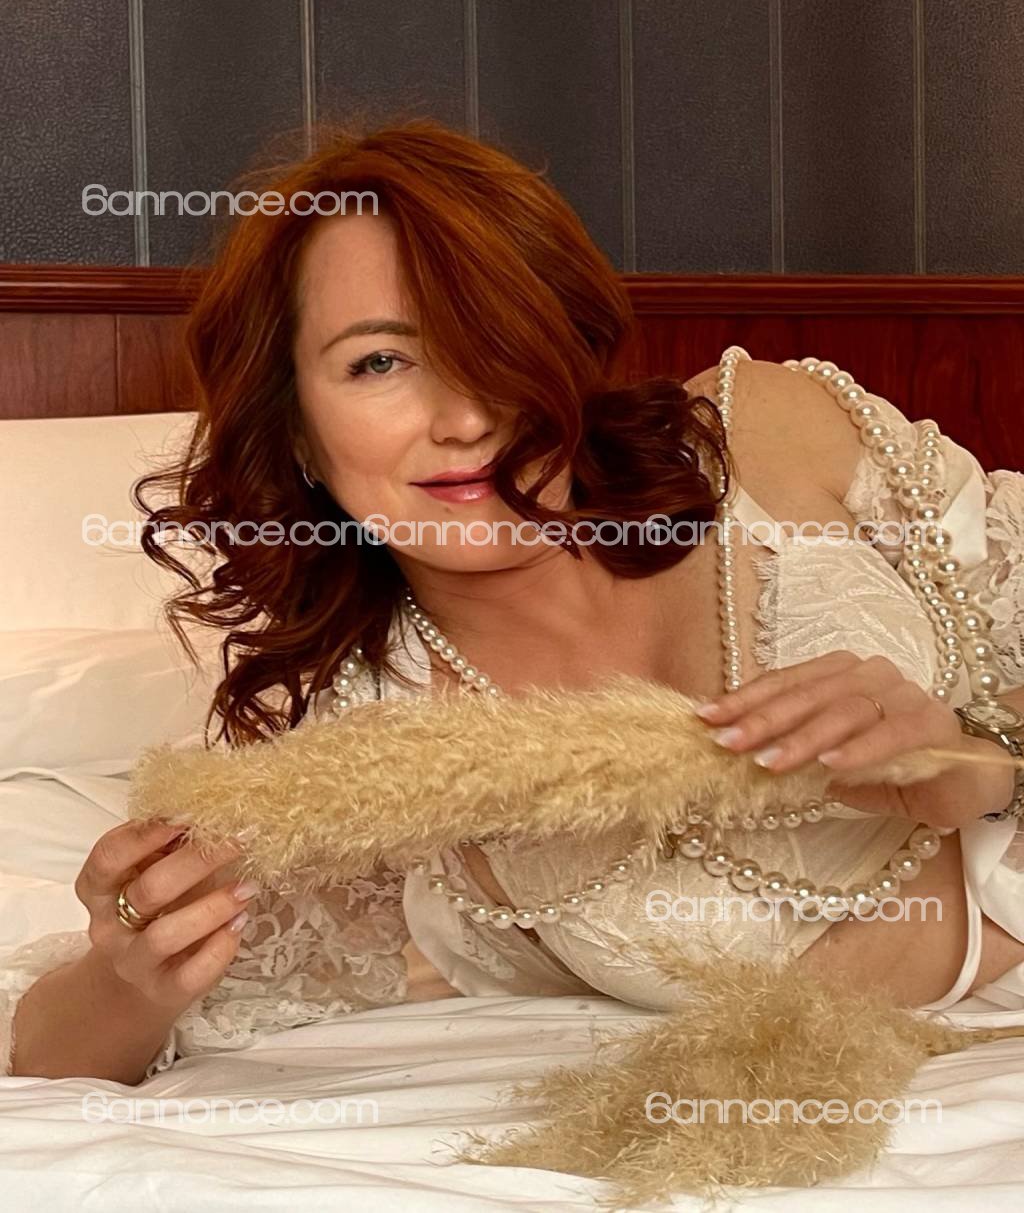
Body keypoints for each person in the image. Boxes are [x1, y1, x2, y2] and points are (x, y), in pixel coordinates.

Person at [3, 120, 1022, 1085]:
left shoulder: (773, 432)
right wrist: (128, 975)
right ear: (299, 430)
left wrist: (969, 764)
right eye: (379, 362)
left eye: (495, 339)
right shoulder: (373, 740)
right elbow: (57, 1059)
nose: (464, 417)